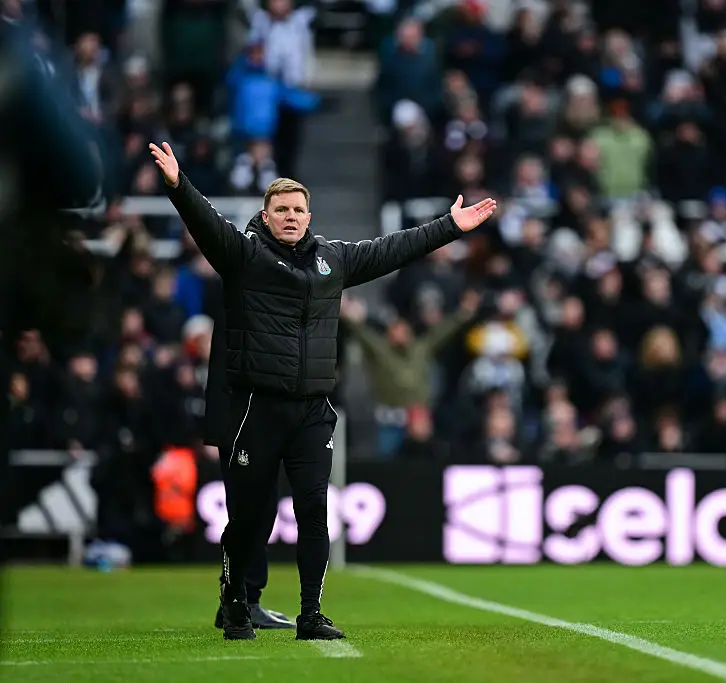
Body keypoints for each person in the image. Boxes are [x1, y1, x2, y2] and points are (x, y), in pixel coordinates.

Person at [149, 141, 496, 641]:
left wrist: (449, 227)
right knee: (248, 516)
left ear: (309, 216)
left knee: (314, 510)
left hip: (312, 409)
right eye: (281, 210)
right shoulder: (243, 256)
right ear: (265, 217)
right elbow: (206, 223)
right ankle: (237, 605)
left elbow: (392, 249)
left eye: (297, 210)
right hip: (256, 407)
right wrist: (178, 185)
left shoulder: (332, 259)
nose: (290, 217)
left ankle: (310, 614)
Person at [205, 274, 295, 631]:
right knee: (249, 513)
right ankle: (241, 599)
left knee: (259, 510)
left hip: (248, 419)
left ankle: (240, 599)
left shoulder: (245, 292)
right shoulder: (241, 293)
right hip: (239, 421)